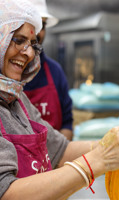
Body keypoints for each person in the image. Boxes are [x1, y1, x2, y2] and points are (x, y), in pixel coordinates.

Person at [0, 0, 119, 199]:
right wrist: (95, 162)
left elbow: (60, 150)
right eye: (18, 40)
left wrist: (113, 144)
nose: (29, 53)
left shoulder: (18, 100)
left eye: (31, 44)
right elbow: (7, 193)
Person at [23, 0, 73, 141]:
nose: (37, 33)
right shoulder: (6, 75)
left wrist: (57, 158)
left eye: (42, 25)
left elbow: (67, 123)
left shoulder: (55, 70)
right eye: (32, 24)